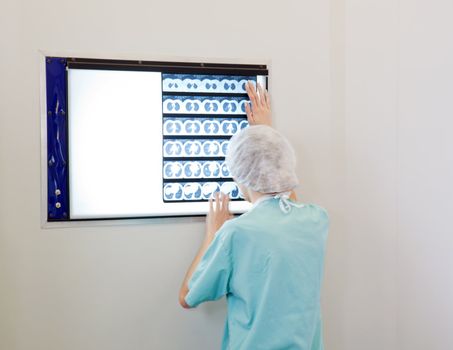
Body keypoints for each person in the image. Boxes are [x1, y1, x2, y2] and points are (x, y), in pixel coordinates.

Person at [179, 81, 329, 350]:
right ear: (285, 164)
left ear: (239, 176)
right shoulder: (316, 220)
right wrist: (265, 132)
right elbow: (285, 197)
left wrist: (213, 233)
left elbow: (187, 296)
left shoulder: (235, 233)